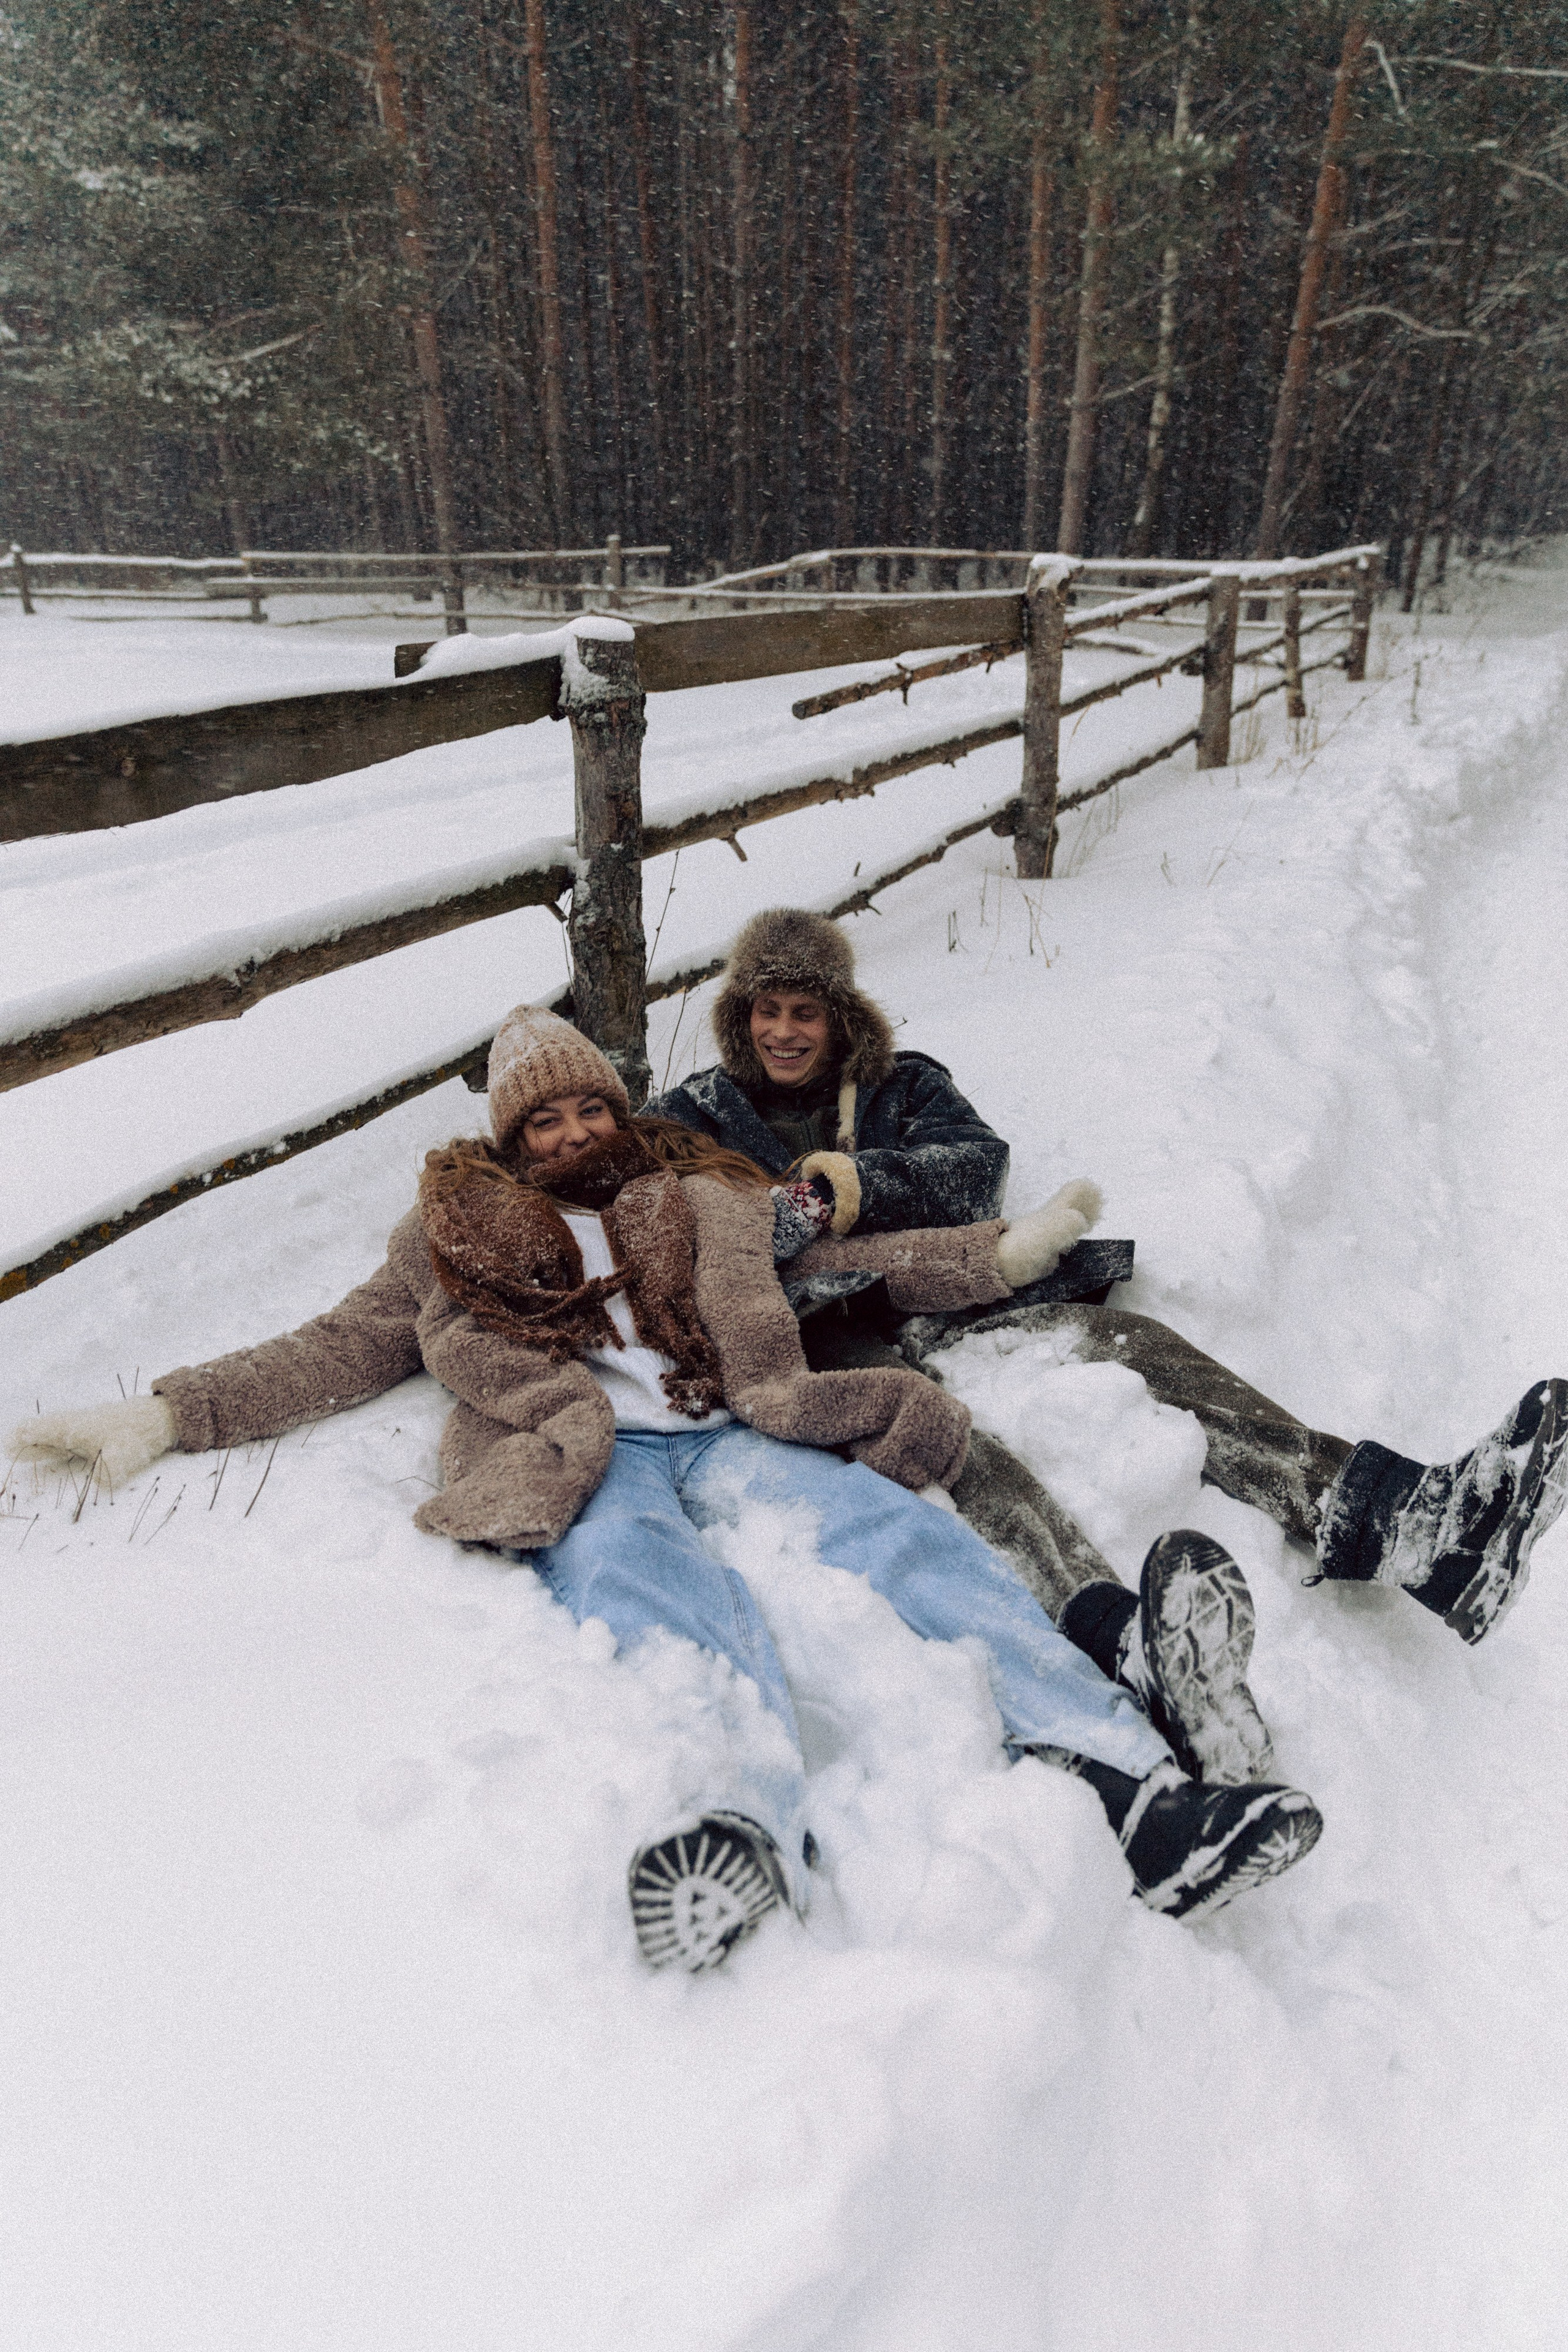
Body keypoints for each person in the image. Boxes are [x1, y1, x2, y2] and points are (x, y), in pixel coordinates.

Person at [11, 1007, 1322, 1974]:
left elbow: (859, 1252)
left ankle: (1140, 1796)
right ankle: (741, 1824)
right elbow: (337, 1347)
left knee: (906, 1546)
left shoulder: (693, 1192)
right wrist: (168, 1413)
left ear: (612, 1105)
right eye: (543, 1121)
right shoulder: (448, 1241)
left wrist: (999, 1253)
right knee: (654, 1595)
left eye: (585, 1108)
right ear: (511, 1140)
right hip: (585, 1456)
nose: (572, 1133)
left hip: (731, 1422)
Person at [649, 908, 1568, 1782]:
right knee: (952, 1446)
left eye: (805, 1011)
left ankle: (1397, 1520)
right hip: (818, 1339)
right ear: (740, 1014)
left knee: (1123, 1341)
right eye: (767, 1010)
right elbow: (646, 1215)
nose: (784, 1032)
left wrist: (837, 1191)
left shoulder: (903, 1083)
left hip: (949, 1294)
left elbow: (973, 1168)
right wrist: (750, 1231)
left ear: (840, 1016)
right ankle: (1119, 1648)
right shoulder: (694, 1112)